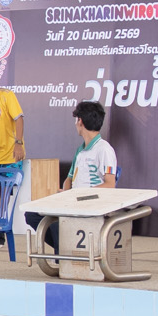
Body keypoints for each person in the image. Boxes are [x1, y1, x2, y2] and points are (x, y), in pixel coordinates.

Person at [24, 102, 117, 253]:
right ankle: (65, 250)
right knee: (32, 215)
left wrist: (82, 194)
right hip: (73, 202)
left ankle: (64, 254)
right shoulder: (80, 150)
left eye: (76, 120)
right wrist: (65, 194)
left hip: (91, 205)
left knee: (57, 225)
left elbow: (110, 184)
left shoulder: (104, 149)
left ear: (80, 121)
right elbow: (69, 179)